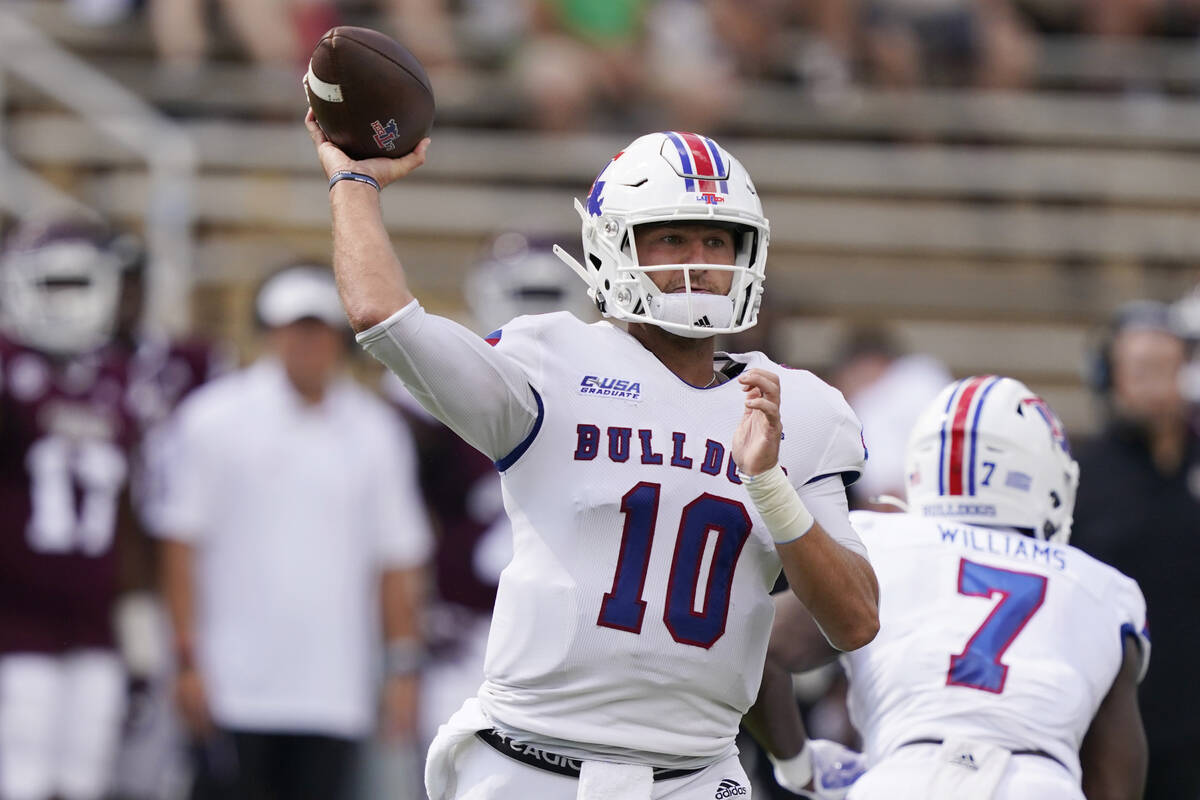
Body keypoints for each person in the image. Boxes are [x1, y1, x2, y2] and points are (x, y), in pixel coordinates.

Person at [306, 116, 880, 800]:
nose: (698, 260)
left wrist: (768, 485)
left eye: (716, 239)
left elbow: (855, 620)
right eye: (671, 237)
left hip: (695, 776)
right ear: (615, 246)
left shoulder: (799, 409)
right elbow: (384, 318)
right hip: (530, 766)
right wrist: (355, 183)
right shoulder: (551, 361)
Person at [759, 375, 1149, 799]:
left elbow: (757, 644)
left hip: (904, 780)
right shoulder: (1104, 590)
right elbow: (1115, 782)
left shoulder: (881, 543)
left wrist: (799, 765)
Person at [155, 264, 432, 800]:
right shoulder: (212, 419)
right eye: (294, 329)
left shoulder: (376, 432)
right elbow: (180, 547)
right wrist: (187, 661)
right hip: (233, 683)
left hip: (333, 687)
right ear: (270, 334)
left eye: (318, 329)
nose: (306, 343)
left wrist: (401, 668)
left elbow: (397, 560)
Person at [0, 218, 142, 800]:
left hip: (95, 620)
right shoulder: (10, 370)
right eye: (50, 285)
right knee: (23, 773)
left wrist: (139, 615)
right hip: (17, 620)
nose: (63, 302)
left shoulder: (121, 379)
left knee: (87, 779)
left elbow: (136, 512)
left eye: (75, 286)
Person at [1070, 300, 1200, 800]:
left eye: (1167, 369)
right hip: (1115, 728)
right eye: (1141, 369)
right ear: (1109, 377)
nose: (1156, 385)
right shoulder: (1078, 476)